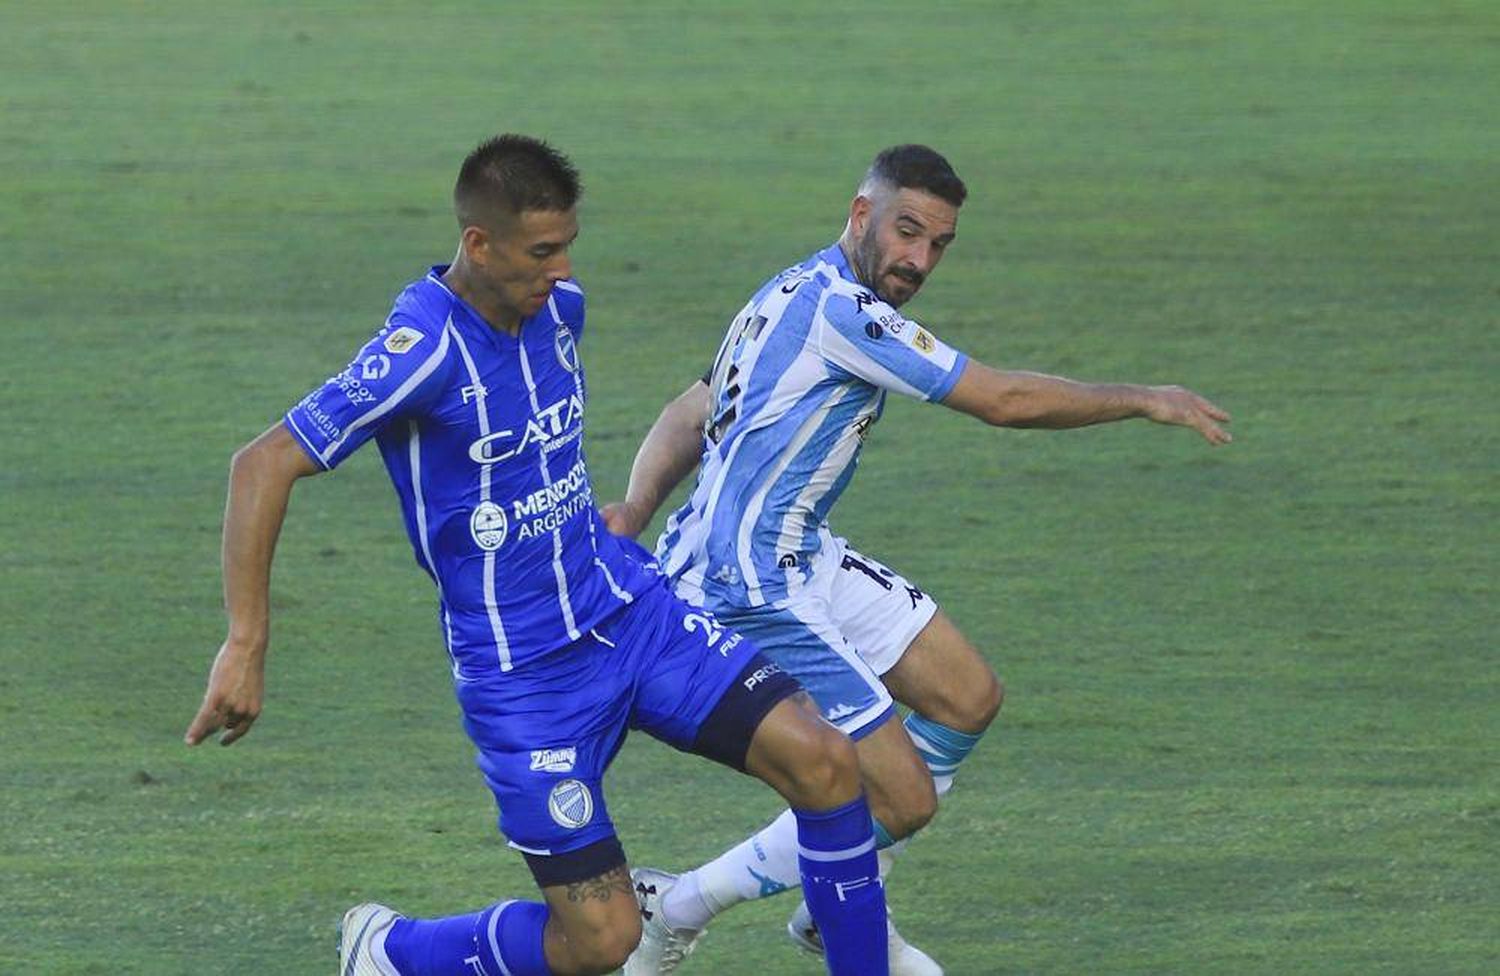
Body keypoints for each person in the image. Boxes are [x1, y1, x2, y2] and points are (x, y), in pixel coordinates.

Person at [183, 135, 892, 976]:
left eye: (568, 247)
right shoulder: (422, 351)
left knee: (826, 763)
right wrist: (246, 642)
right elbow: (262, 463)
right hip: (525, 679)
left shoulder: (561, 309)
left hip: (630, 615)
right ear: (478, 244)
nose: (560, 271)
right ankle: (392, 952)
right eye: (541, 251)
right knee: (604, 941)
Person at [604, 144, 1232, 975]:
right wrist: (1147, 398)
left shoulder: (786, 290)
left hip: (802, 553)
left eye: (939, 244)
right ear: (861, 214)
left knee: (967, 697)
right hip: (746, 581)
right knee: (900, 795)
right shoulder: (842, 314)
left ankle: (822, 909)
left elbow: (692, 406)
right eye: (907, 232)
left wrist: (640, 507)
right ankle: (681, 906)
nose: (920, 260)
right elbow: (1002, 401)